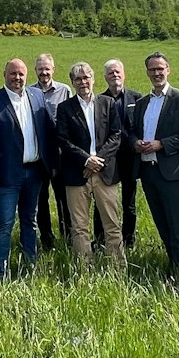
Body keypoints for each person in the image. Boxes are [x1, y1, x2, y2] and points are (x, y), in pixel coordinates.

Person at [0, 57, 55, 280]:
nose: (17, 78)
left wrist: (51, 165)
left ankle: (29, 266)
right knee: (4, 223)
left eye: (21, 74)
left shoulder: (37, 96)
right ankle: (0, 271)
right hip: (6, 175)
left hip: (34, 172)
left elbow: (48, 132)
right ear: (5, 75)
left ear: (27, 75)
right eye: (13, 74)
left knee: (29, 220)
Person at [132, 52, 179, 284]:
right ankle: (172, 265)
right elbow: (133, 131)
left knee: (176, 226)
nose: (157, 73)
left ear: (168, 70)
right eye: (152, 69)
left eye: (160, 68)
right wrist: (135, 143)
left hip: (172, 174)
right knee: (161, 224)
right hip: (148, 172)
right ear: (147, 72)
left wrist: (162, 144)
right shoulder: (142, 103)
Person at [55, 61, 126, 269]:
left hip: (105, 172)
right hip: (77, 173)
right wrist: (86, 159)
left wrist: (97, 161)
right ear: (72, 83)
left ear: (93, 79)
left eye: (86, 77)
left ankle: (117, 268)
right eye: (78, 79)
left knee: (112, 224)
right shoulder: (65, 108)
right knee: (79, 226)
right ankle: (83, 268)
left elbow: (116, 135)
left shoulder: (107, 103)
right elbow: (62, 139)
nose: (83, 82)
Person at [30, 53, 73, 253]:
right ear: (35, 70)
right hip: (39, 155)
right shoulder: (29, 92)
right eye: (40, 68)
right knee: (41, 198)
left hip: (61, 155)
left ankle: (68, 236)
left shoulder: (64, 90)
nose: (44, 72)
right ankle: (46, 239)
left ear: (53, 70)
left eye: (47, 68)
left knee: (63, 198)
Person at [99, 58, 143, 252]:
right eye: (111, 73)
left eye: (118, 72)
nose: (115, 75)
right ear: (105, 77)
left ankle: (129, 239)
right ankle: (100, 238)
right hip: (108, 159)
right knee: (103, 200)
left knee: (129, 202)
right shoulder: (99, 100)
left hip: (131, 158)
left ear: (124, 75)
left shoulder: (137, 98)